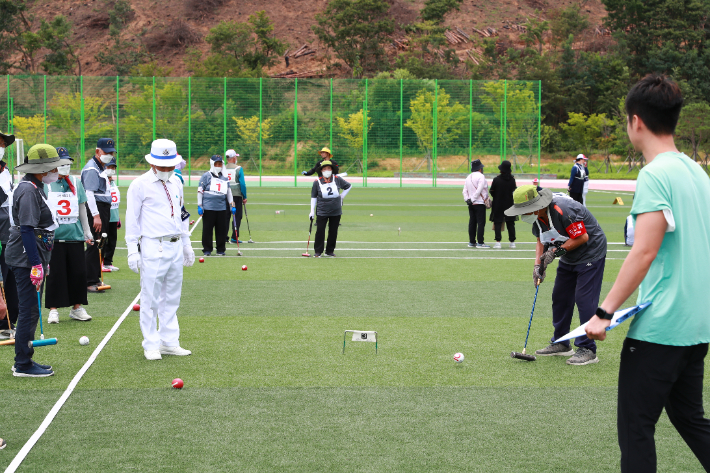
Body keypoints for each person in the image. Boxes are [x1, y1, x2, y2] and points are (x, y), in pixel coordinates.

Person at [585, 74, 710, 472]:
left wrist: (604, 312)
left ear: (635, 121)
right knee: (690, 419)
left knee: (636, 428)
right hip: (696, 328)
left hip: (661, 330)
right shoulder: (698, 174)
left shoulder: (654, 175)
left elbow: (644, 250)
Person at [504, 184, 607, 365]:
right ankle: (561, 342)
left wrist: (554, 253)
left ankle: (588, 348)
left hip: (591, 253)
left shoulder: (562, 209)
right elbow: (540, 240)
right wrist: (539, 265)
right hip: (568, 254)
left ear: (538, 205)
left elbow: (582, 237)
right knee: (560, 297)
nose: (523, 214)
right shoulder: (537, 217)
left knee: (584, 299)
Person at [125, 139, 195, 361]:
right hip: (153, 245)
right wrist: (132, 249)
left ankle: (169, 341)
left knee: (172, 297)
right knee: (150, 298)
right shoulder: (139, 184)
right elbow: (132, 219)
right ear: (153, 163)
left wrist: (186, 244)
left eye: (170, 166)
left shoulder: (177, 182)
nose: (167, 170)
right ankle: (151, 344)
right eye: (163, 167)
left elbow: (182, 214)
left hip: (175, 245)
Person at [7, 144, 71, 377]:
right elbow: (26, 229)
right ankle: (23, 364)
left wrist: (42, 261)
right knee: (29, 310)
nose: (56, 170)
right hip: (25, 258)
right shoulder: (28, 190)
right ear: (41, 169)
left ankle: (23, 360)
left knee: (31, 309)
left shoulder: (37, 185)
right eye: (52, 167)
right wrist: (35, 264)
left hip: (33, 255)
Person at [45, 148, 93, 324]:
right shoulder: (46, 183)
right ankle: (53, 310)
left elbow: (82, 208)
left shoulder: (75, 181)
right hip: (54, 237)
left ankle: (77, 307)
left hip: (75, 236)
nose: (66, 166)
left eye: (68, 163)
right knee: (55, 274)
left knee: (78, 273)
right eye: (62, 163)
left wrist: (87, 232)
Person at [82, 138, 115, 292]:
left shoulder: (100, 167)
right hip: (96, 208)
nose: (109, 155)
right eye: (106, 152)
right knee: (94, 245)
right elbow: (89, 193)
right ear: (98, 151)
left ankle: (95, 278)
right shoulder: (91, 169)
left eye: (111, 152)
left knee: (100, 243)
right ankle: (89, 281)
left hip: (103, 208)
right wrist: (96, 215)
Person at [309, 160, 351, 257]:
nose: (327, 170)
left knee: (333, 231)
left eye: (328, 168)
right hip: (322, 210)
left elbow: (348, 186)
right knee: (320, 230)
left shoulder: (337, 179)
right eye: (324, 169)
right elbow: (313, 196)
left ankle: (329, 251)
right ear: (321, 171)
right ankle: (318, 251)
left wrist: (342, 196)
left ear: (332, 169)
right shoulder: (317, 182)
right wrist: (311, 211)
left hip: (336, 210)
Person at [0, 131, 18, 338]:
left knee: (10, 276)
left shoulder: (4, 171)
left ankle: (9, 321)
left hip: (8, 232)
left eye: (3, 143)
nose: (1, 147)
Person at [197, 155, 234, 256]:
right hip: (208, 208)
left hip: (221, 207)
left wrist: (232, 204)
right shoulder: (206, 176)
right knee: (207, 230)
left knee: (221, 230)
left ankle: (221, 249)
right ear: (212, 164)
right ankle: (207, 249)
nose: (218, 166)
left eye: (220, 164)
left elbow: (229, 191)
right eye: (216, 164)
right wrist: (200, 205)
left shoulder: (225, 177)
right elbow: (200, 190)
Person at [489, 160, 517, 249]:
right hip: (510, 204)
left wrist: (497, 196)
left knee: (497, 222)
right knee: (510, 223)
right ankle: (512, 242)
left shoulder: (496, 179)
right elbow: (515, 192)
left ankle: (498, 242)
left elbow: (492, 191)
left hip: (498, 204)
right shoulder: (512, 180)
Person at [463, 159, 490, 249]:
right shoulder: (481, 177)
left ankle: (472, 241)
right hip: (479, 203)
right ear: (479, 168)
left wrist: (468, 199)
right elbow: (479, 189)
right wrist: (474, 199)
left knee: (472, 222)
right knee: (481, 223)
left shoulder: (468, 177)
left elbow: (464, 190)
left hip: (471, 203)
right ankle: (480, 242)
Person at [224, 149, 247, 244]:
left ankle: (224, 237)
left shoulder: (223, 168)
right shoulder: (238, 168)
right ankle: (234, 237)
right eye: (236, 156)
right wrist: (244, 196)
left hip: (225, 195)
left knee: (225, 216)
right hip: (236, 195)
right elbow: (242, 184)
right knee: (237, 216)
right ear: (233, 157)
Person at [101, 158, 120, 272]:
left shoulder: (113, 182)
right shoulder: (101, 181)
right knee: (103, 240)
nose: (111, 169)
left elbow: (115, 200)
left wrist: (118, 218)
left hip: (114, 215)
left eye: (113, 167)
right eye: (109, 167)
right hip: (104, 215)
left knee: (112, 240)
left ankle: (108, 262)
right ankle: (100, 262)